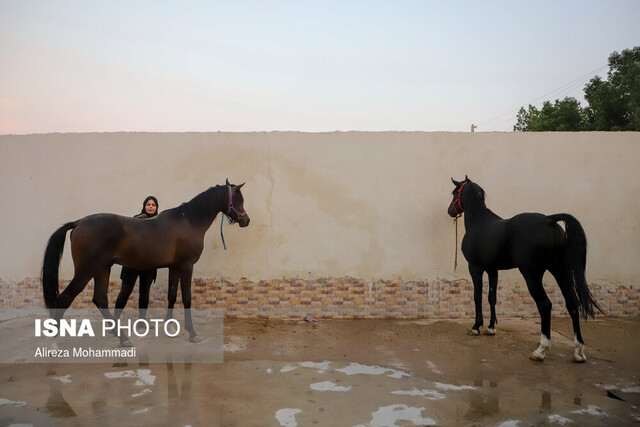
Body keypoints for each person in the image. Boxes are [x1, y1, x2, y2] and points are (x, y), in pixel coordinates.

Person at [117, 196, 159, 319]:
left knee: (144, 294)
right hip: (132, 263)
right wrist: (138, 220)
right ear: (144, 206)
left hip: (149, 265)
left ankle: (142, 320)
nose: (150, 206)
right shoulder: (136, 220)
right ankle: (114, 321)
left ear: (156, 208)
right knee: (125, 292)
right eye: (148, 204)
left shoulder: (159, 224)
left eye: (153, 205)